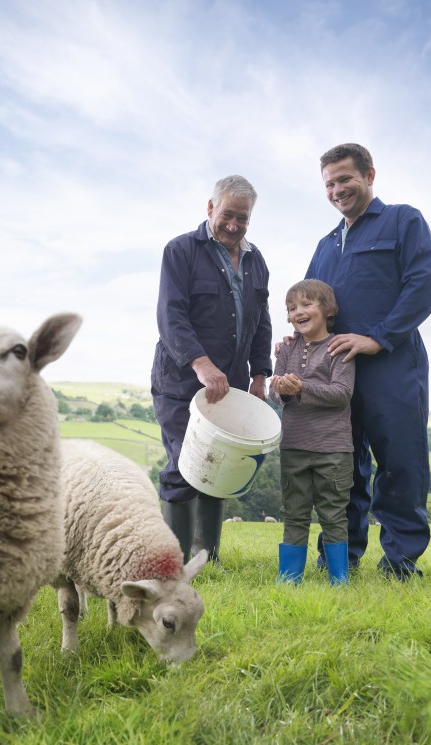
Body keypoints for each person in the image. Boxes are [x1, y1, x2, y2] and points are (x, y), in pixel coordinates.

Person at [306, 143, 431, 580]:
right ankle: (339, 559)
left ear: (369, 175)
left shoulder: (404, 220)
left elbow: (423, 286)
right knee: (341, 467)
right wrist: (300, 339)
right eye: (329, 183)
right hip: (336, 371)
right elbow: (310, 302)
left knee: (400, 461)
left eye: (345, 178)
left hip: (392, 366)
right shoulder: (325, 244)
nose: (337, 189)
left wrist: (377, 339)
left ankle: (400, 564)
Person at [151, 174, 273, 566]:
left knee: (218, 467)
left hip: (232, 385)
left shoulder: (257, 262)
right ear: (210, 208)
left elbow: (262, 320)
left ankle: (209, 557)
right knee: (182, 464)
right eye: (228, 215)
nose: (234, 225)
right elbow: (171, 315)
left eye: (243, 218)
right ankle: (175, 563)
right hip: (182, 379)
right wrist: (201, 364)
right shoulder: (181, 251)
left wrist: (259, 375)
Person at [270, 279, 355, 586]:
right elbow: (275, 393)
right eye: (292, 308)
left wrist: (303, 387)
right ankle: (289, 580)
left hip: (333, 449)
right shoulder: (287, 348)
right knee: (294, 513)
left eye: (306, 305)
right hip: (293, 445)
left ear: (327, 309)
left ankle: (339, 581)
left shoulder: (339, 347)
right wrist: (281, 390)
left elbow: (342, 393)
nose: (298, 312)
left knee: (333, 516)